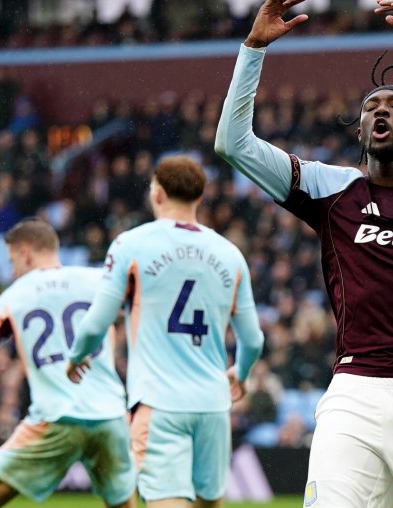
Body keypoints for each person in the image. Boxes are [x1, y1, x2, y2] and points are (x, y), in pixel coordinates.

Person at [215, 1, 393, 506]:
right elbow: (233, 144)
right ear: (359, 131)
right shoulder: (332, 191)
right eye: (371, 107)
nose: (380, 111)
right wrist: (253, 49)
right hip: (354, 393)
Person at [66, 155, 265, 508]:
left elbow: (97, 322)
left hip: (160, 401)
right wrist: (242, 373)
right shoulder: (229, 254)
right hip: (213, 404)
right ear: (200, 197)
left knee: (164, 501)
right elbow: (253, 339)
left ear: (156, 193)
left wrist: (76, 355)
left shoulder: (131, 244)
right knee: (209, 502)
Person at [0, 219, 136, 508]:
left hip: (55, 418)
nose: (12, 271)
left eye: (12, 262)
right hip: (110, 417)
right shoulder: (99, 281)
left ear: (26, 253)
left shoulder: (15, 296)